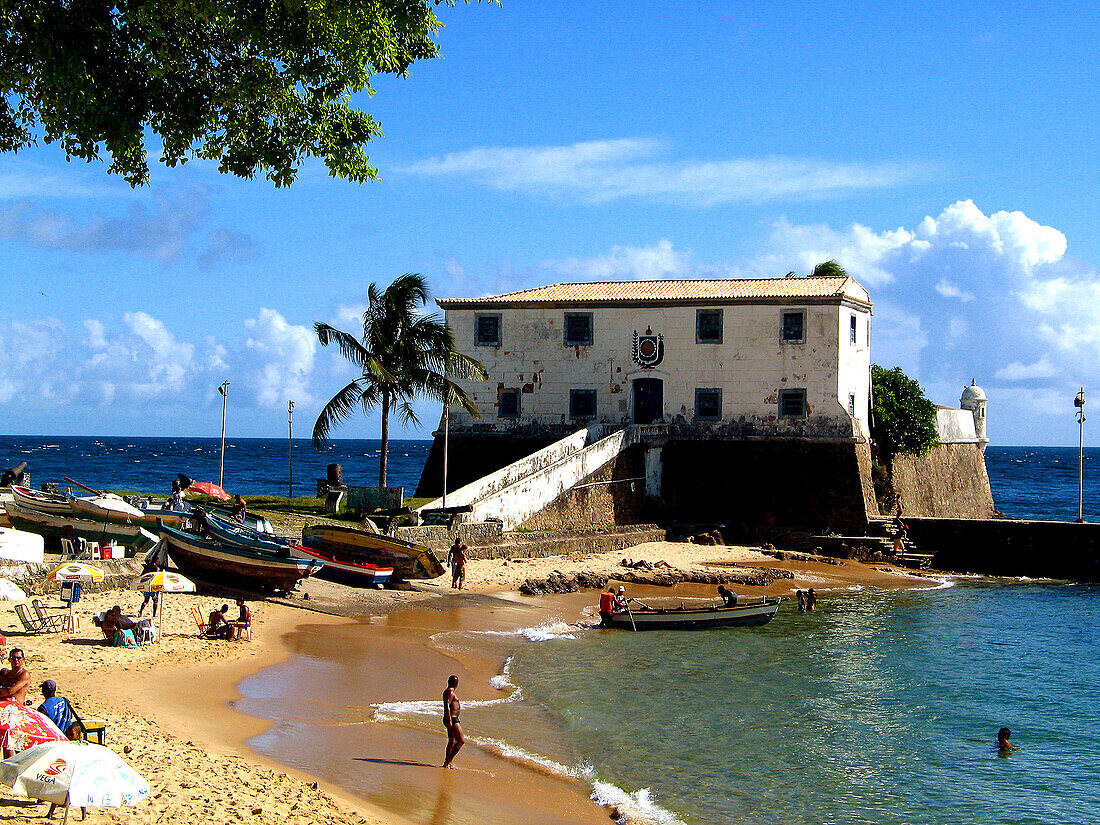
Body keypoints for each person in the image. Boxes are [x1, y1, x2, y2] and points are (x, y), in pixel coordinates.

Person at [0, 649, 31, 757]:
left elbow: (10, 691)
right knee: (4, 742)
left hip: (15, 712)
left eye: (18, 658)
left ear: (23, 660)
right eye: (13, 658)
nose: (16, 660)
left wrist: (4, 691)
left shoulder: (24, 674)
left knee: (9, 744)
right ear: (9, 659)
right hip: (4, 710)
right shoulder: (6, 674)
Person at [442, 675, 463, 768]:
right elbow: (447, 705)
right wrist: (449, 719)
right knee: (461, 741)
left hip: (453, 718)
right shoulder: (450, 691)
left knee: (452, 741)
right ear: (455, 683)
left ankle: (447, 762)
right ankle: (449, 761)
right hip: (452, 719)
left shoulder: (449, 691)